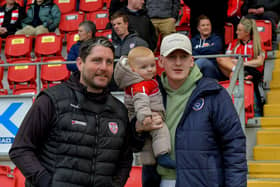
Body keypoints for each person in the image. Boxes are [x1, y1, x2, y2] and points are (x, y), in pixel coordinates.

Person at [9, 37, 133, 187]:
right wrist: (46, 182)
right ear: (80, 63)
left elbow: (124, 160)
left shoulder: (118, 110)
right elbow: (20, 149)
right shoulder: (52, 100)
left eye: (109, 62)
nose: (104, 67)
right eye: (97, 60)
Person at [135, 33, 247, 187]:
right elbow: (134, 144)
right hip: (161, 181)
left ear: (192, 61)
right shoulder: (148, 95)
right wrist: (138, 129)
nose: (178, 62)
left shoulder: (214, 94)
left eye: (183, 56)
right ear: (161, 61)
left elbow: (234, 147)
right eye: (172, 57)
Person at [114, 46, 176, 170]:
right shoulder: (141, 84)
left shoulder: (140, 81)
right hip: (146, 116)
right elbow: (140, 101)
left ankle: (148, 163)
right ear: (133, 70)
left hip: (142, 116)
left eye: (152, 65)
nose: (149, 70)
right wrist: (145, 116)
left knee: (147, 142)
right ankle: (163, 155)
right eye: (144, 67)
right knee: (161, 130)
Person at [217, 17, 265, 116]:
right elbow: (225, 59)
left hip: (252, 72)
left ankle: (253, 111)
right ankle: (238, 72)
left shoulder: (257, 44)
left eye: (239, 30)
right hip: (234, 70)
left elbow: (260, 62)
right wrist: (237, 67)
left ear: (247, 33)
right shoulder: (234, 44)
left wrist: (242, 64)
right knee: (220, 58)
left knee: (234, 74)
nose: (236, 32)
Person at [191, 14, 225, 80]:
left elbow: (215, 49)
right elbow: (191, 52)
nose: (206, 27)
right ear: (198, 28)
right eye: (203, 25)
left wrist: (198, 51)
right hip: (197, 68)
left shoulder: (216, 39)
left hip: (213, 70)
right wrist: (207, 51)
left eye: (208, 25)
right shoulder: (193, 40)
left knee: (202, 61)